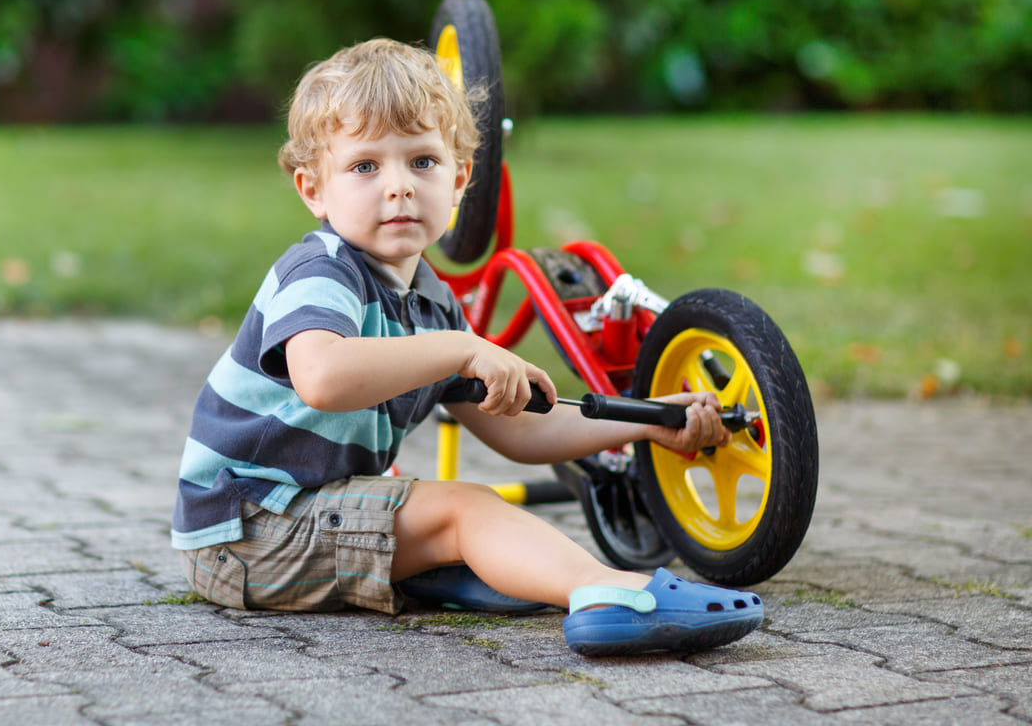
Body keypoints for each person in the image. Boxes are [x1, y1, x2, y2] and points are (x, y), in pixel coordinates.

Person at [171, 37, 762, 655]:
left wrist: (646, 424)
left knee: (460, 517)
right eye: (365, 166)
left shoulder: (431, 303)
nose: (397, 187)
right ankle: (612, 592)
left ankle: (467, 572)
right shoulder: (321, 271)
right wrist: (459, 348)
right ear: (313, 189)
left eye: (422, 162)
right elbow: (322, 375)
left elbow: (520, 432)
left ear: (460, 180)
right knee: (464, 509)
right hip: (247, 529)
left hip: (301, 518)